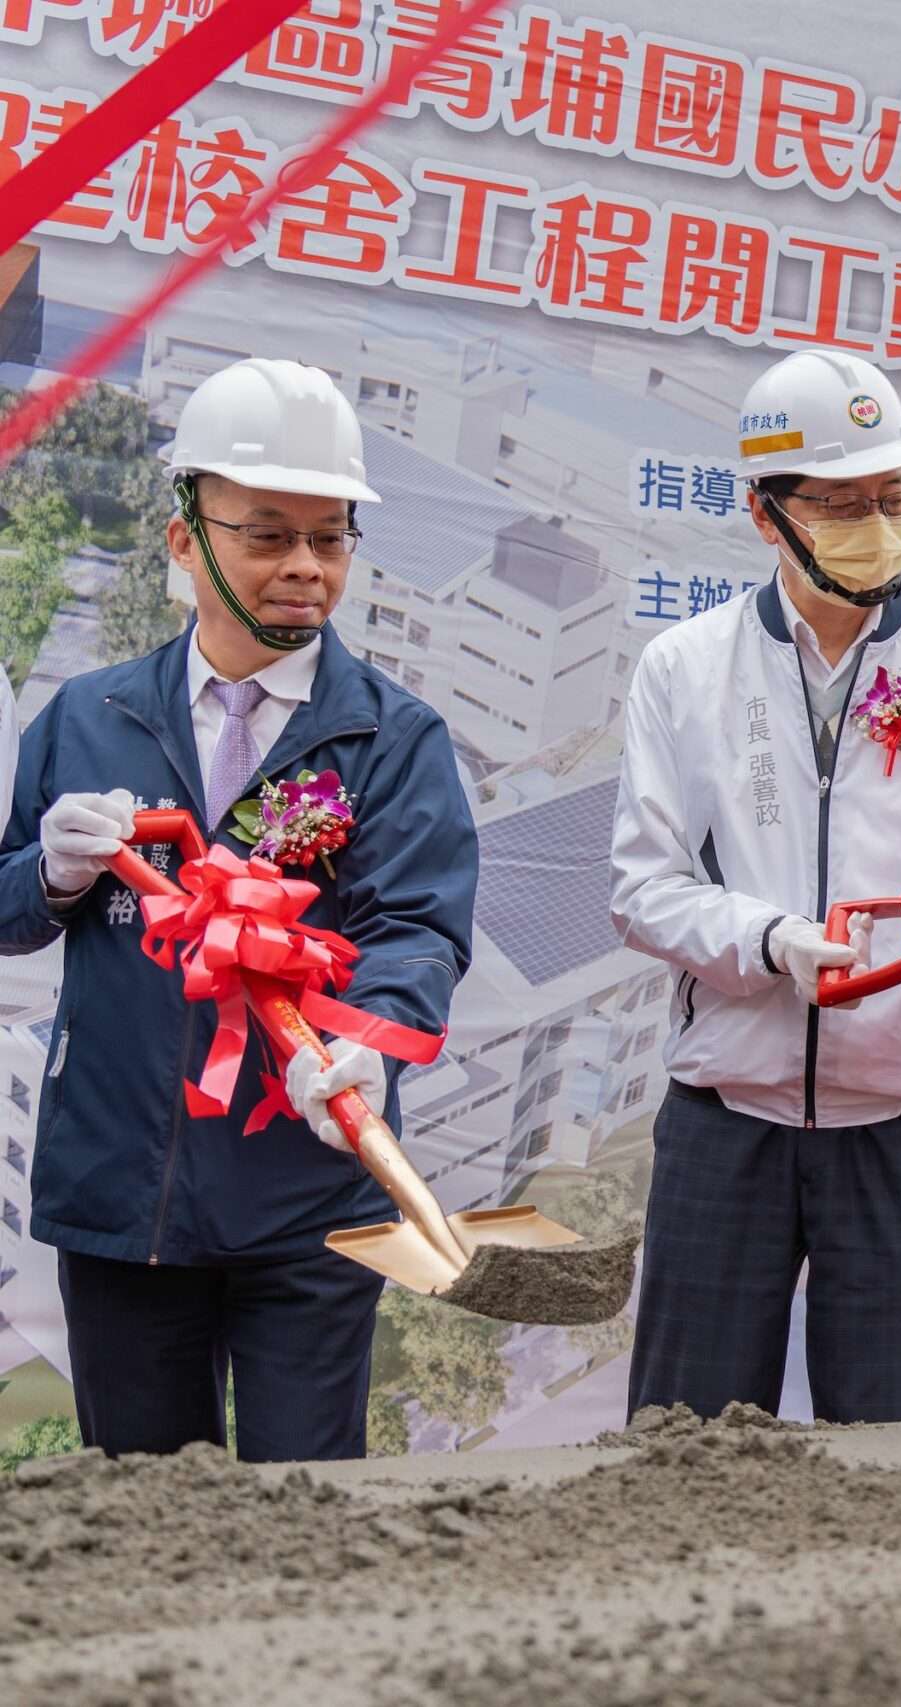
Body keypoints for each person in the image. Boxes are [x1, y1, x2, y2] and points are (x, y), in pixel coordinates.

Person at [0, 358, 478, 1461]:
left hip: (308, 1199)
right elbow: (6, 906)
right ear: (186, 541)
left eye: (331, 536)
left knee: (307, 1519)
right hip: (125, 1194)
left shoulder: (391, 739)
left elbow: (416, 930)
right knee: (138, 1508)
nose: (306, 568)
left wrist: (367, 1052)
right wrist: (53, 876)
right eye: (269, 535)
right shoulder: (89, 713)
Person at [611, 350, 901, 1426]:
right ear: (763, 513)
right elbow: (644, 888)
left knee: (889, 1448)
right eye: (839, 504)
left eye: (892, 497)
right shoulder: (684, 670)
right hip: (725, 1112)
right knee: (682, 1441)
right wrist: (770, 939)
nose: (875, 522)